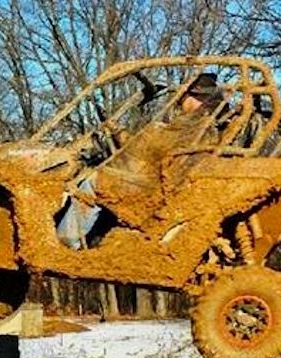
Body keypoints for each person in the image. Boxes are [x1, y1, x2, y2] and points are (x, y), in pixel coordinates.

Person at [55, 72, 225, 249]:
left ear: (196, 98)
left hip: (156, 189)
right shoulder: (207, 126)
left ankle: (64, 246)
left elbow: (145, 149)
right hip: (163, 183)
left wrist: (118, 132)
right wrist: (117, 131)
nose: (181, 102)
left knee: (92, 183)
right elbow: (147, 149)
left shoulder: (191, 126)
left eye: (184, 97)